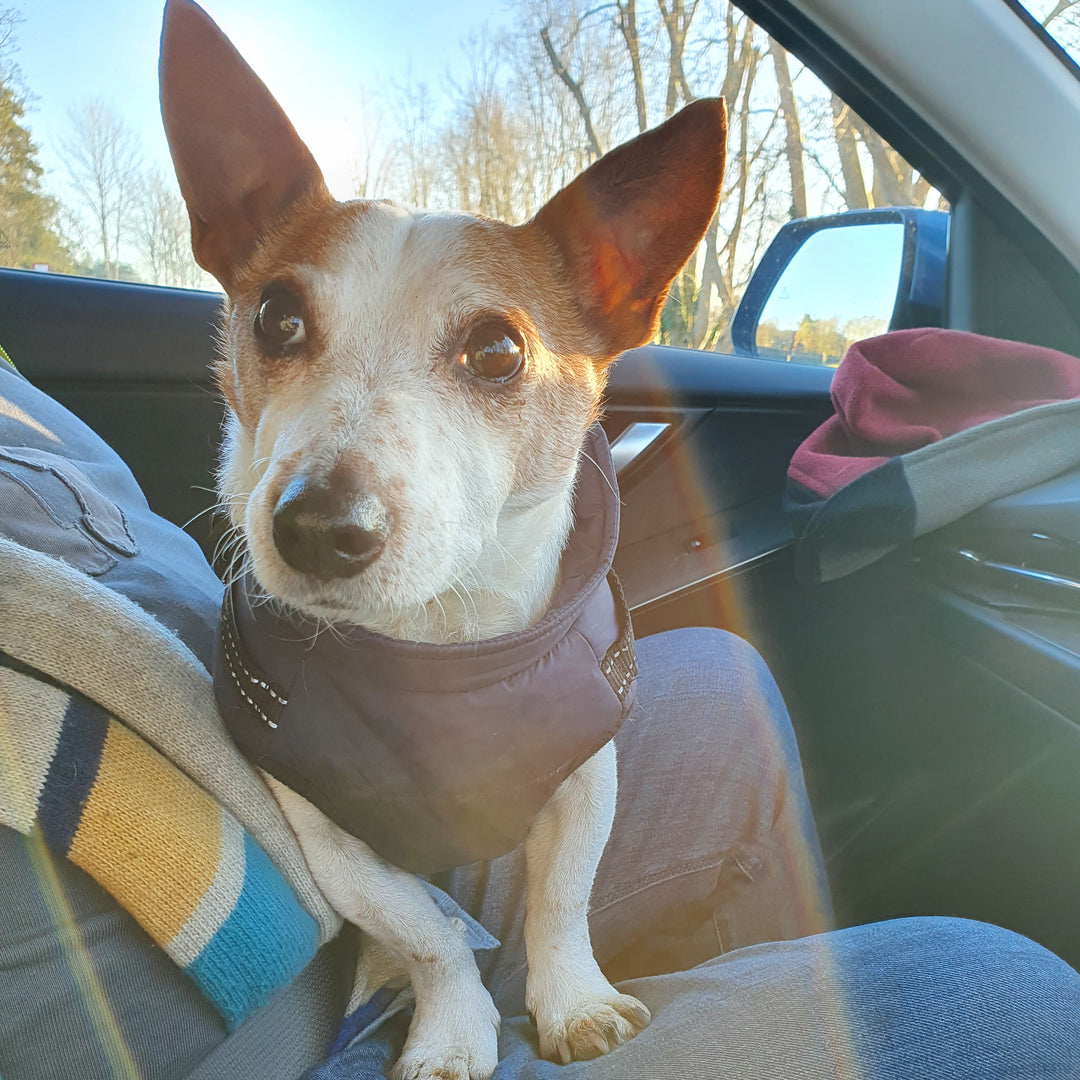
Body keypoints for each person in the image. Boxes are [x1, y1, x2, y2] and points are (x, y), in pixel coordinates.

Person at [1, 354, 1079, 1080]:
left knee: (718, 681)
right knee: (1013, 1004)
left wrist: (558, 951)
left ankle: (616, 991)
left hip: (247, 787)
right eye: (285, 325)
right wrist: (440, 969)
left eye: (490, 359)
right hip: (284, 1014)